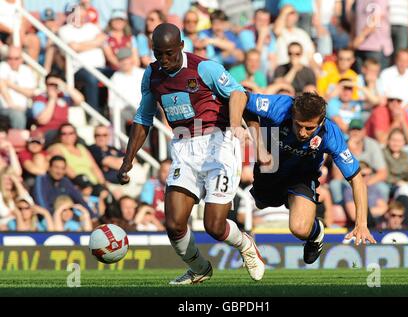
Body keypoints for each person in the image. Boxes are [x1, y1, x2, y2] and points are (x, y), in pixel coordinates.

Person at [117, 23, 265, 284]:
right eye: (158, 53)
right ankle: (199, 268)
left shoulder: (204, 68)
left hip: (217, 143)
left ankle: (245, 245)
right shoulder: (152, 75)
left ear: (182, 46)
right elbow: (143, 117)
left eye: (170, 53)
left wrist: (233, 124)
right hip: (184, 147)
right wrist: (128, 160)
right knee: (174, 223)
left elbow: (239, 93)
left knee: (215, 226)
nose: (164, 60)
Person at [238, 92, 376, 264]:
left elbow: (357, 179)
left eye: (309, 128)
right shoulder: (279, 106)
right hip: (270, 166)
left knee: (299, 228)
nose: (302, 133)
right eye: (298, 125)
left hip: (302, 174)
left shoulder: (331, 135)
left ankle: (316, 233)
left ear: (322, 121)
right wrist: (258, 146)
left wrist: (361, 223)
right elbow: (242, 98)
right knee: (262, 203)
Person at [32, 73, 84, 144]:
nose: (53, 87)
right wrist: (52, 99)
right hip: (48, 132)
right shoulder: (40, 99)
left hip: (65, 130)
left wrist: (64, 85)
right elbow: (42, 121)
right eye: (50, 84)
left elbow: (80, 100)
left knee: (81, 141)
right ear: (46, 85)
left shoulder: (64, 97)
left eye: (55, 84)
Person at [0, 46, 38, 129]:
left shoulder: (27, 71)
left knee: (40, 113)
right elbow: (1, 86)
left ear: (21, 59)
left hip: (25, 108)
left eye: (16, 58)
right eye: (10, 58)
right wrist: (12, 105)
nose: (12, 61)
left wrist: (10, 84)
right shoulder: (3, 66)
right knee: (17, 114)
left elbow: (30, 93)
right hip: (6, 107)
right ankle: (19, 139)